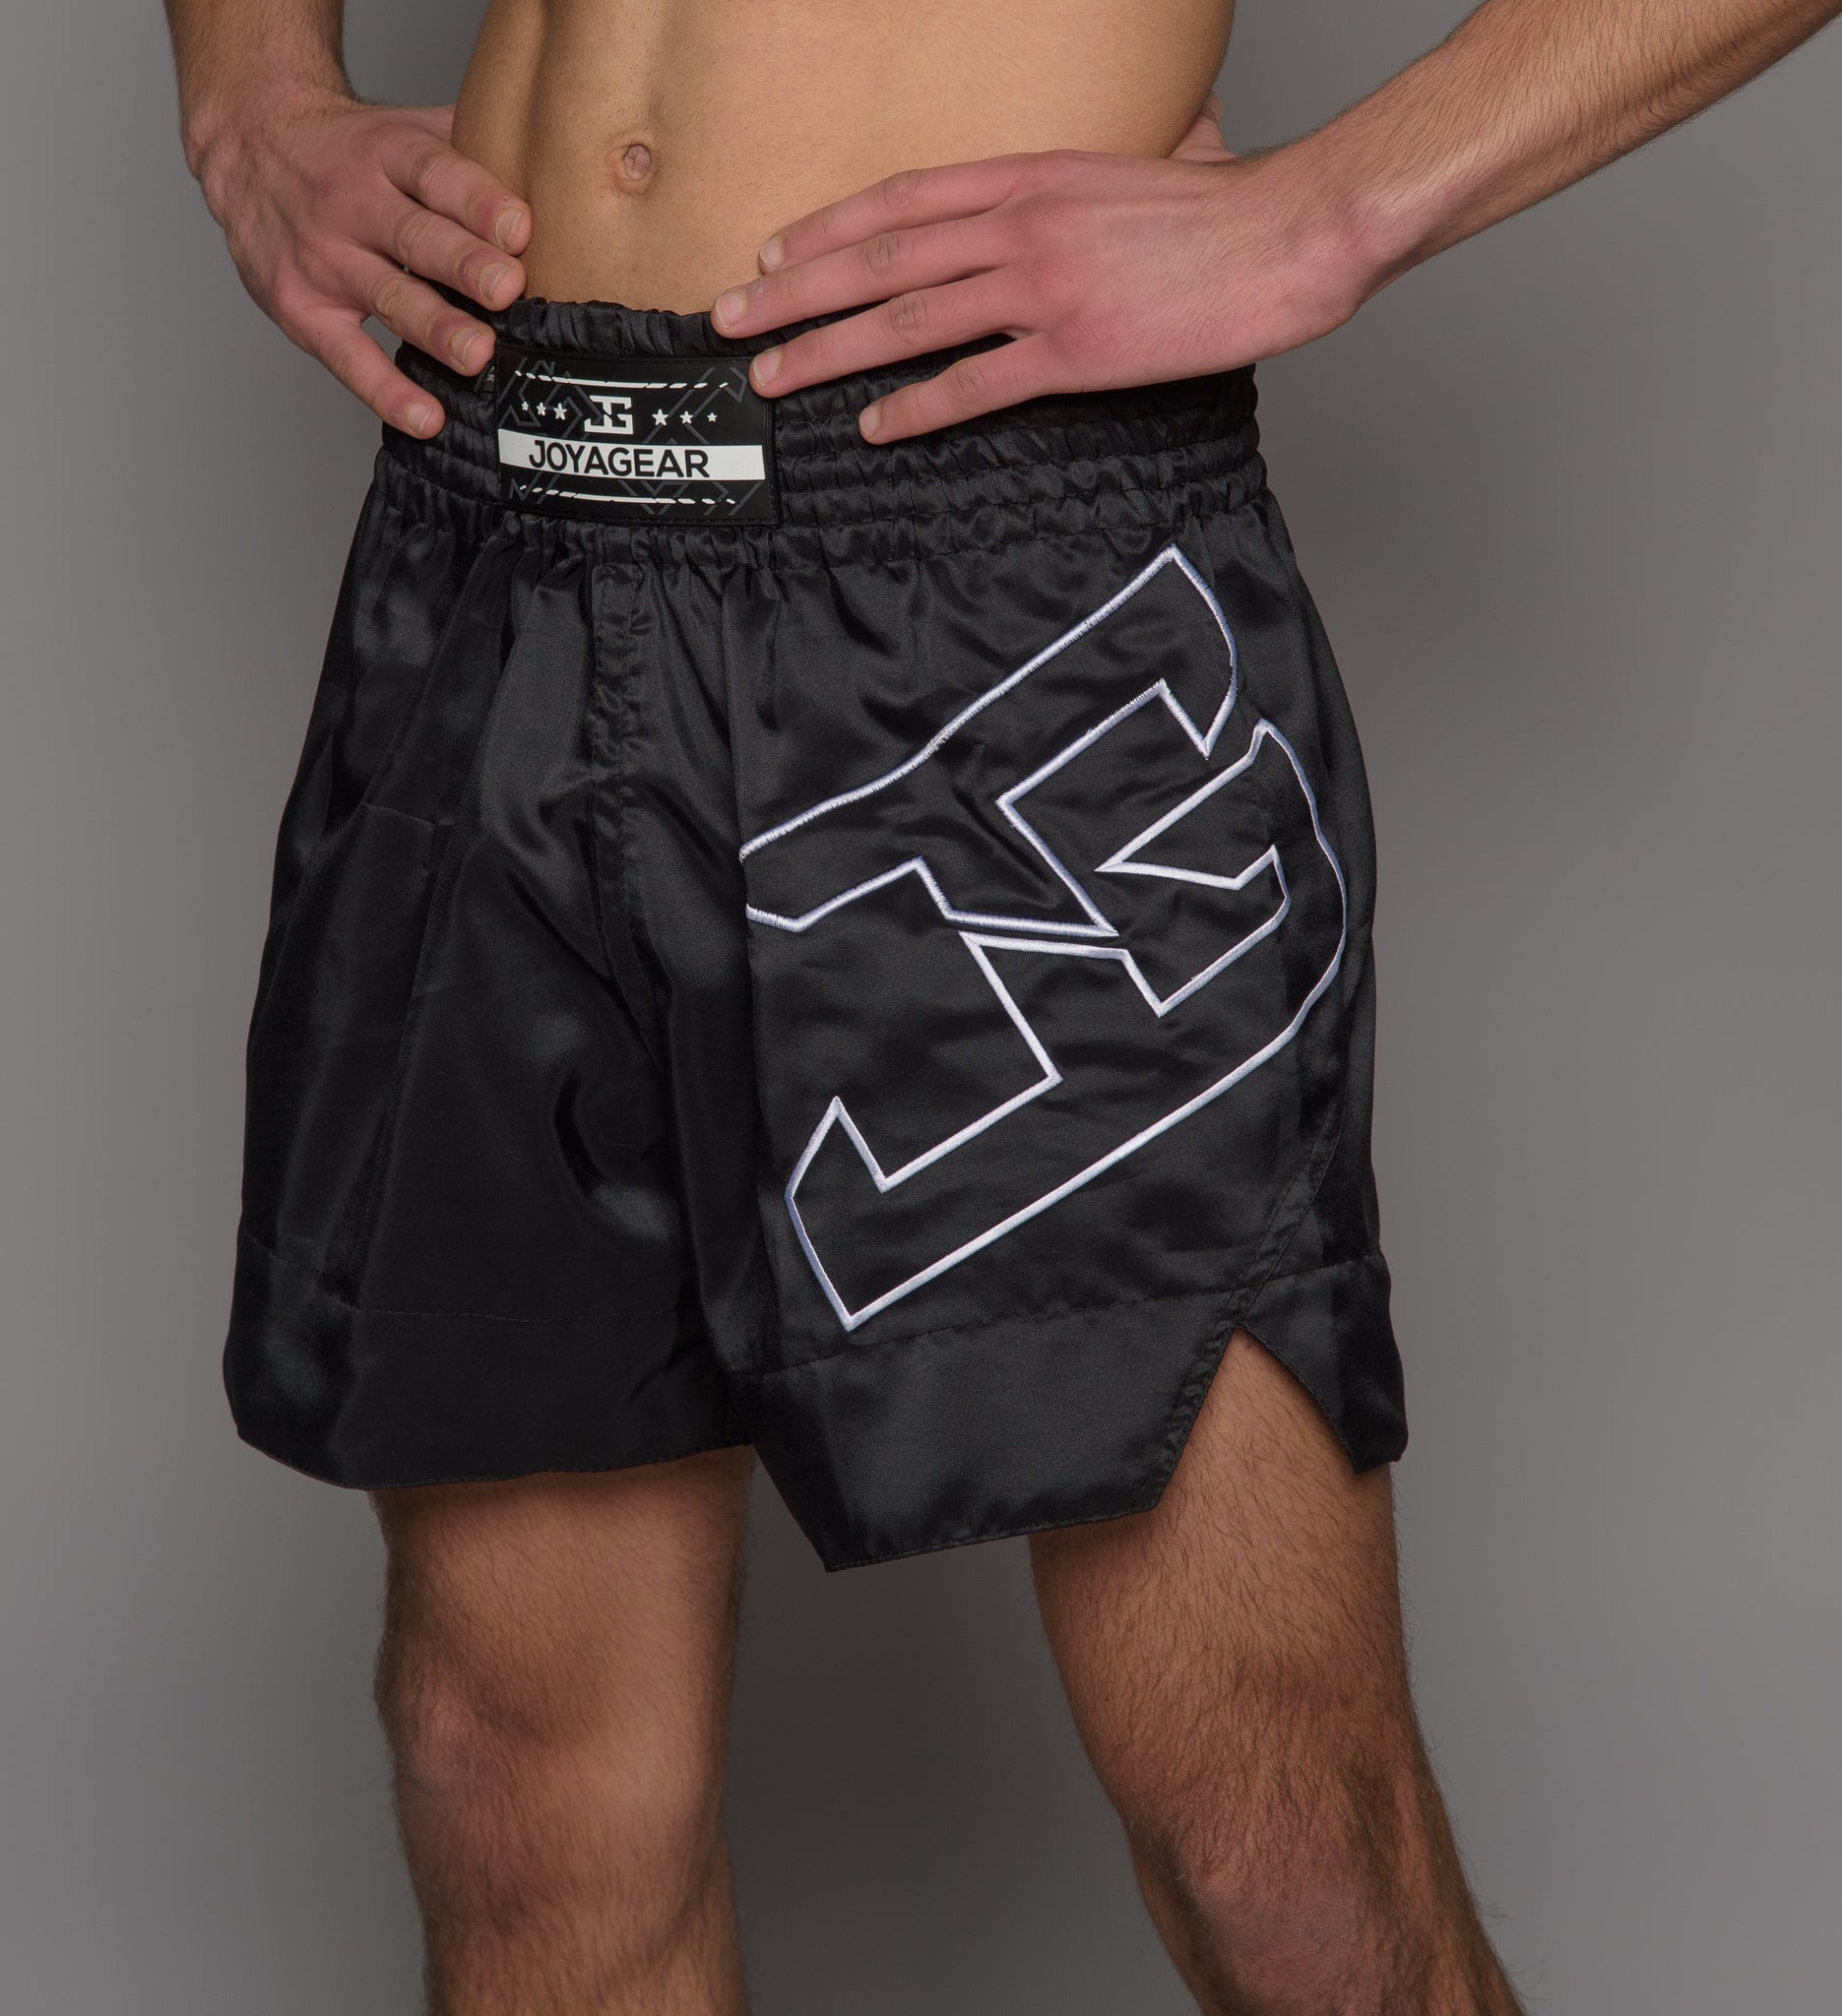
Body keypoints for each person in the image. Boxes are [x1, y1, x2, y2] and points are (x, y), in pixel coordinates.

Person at [164, 1, 1835, 2008]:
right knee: (510, 1780)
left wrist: (1332, 210)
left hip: (996, 581)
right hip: (502, 531)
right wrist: (252, 101)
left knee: (1270, 1832)